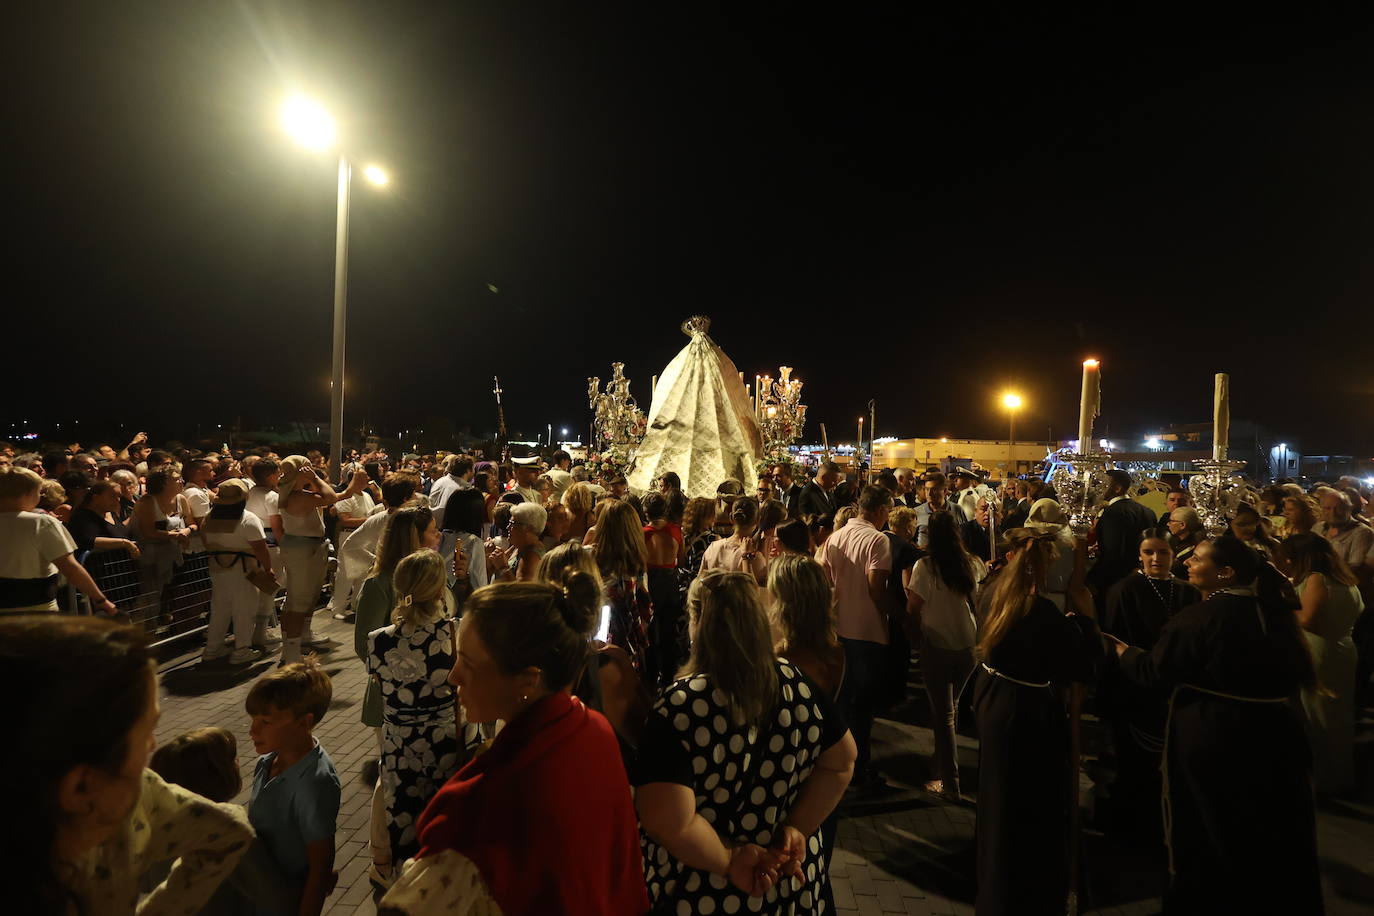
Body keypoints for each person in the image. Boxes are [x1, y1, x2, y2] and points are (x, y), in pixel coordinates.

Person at [380, 575, 650, 915]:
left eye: (468, 663)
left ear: (527, 680)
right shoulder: (593, 729)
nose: (453, 676)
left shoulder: (487, 808)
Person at [1108, 536, 1322, 913]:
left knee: (1213, 827)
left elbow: (1156, 671)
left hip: (1220, 737)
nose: (1187, 563)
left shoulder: (1202, 617)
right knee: (1270, 829)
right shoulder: (1271, 610)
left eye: (1198, 559)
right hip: (1276, 734)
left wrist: (1122, 652)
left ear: (1225, 573)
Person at [635, 570, 857, 915]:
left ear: (699, 623)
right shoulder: (799, 684)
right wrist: (797, 826)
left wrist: (729, 859)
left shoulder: (679, 706)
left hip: (701, 889)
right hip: (787, 884)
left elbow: (667, 820)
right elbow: (843, 760)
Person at [0, 615, 252, 914]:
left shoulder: (142, 795)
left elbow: (229, 833)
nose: (154, 745)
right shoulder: (132, 802)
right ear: (81, 788)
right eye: (147, 733)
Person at [972, 527, 1101, 916]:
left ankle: (994, 886)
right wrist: (1085, 623)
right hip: (1025, 711)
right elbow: (1080, 665)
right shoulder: (1040, 611)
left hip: (994, 699)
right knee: (1025, 804)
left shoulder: (993, 592)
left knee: (997, 798)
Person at [352, 505, 443, 886]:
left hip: (428, 704)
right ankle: (381, 855)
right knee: (387, 779)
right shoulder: (379, 584)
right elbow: (364, 644)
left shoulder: (435, 577)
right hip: (392, 699)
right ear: (415, 538)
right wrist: (405, 668)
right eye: (433, 531)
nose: (438, 536)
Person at [1099, 529, 1200, 842]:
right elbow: (1115, 639)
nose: (1156, 559)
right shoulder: (1124, 590)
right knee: (1133, 765)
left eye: (1163, 552)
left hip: (1172, 686)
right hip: (1134, 685)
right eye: (1149, 552)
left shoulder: (1187, 592)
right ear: (1139, 555)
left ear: (1173, 555)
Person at [367, 551, 463, 868]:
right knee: (445, 826)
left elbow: (383, 685)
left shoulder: (377, 641)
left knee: (404, 825)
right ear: (439, 590)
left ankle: (404, 881)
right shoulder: (455, 633)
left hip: (398, 748)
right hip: (444, 744)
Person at [245, 658, 343, 916]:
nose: (252, 730)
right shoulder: (267, 761)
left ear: (304, 722)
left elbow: (320, 867)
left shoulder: (314, 783)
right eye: (253, 719)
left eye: (265, 721)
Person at [818, 484, 893, 789]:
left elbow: (823, 578)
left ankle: (838, 762)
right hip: (867, 630)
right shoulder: (878, 540)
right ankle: (859, 768)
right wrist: (893, 616)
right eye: (888, 511)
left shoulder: (835, 537)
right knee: (863, 706)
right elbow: (876, 588)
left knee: (842, 701)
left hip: (838, 627)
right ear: (880, 510)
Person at [1279, 533, 1365, 795]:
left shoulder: (1316, 578)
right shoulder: (1345, 580)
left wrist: (1281, 604)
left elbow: (1307, 619)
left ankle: (1322, 779)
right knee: (1337, 715)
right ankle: (1339, 775)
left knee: (1317, 717)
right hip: (1342, 649)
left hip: (1318, 650)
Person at [908, 511, 984, 800]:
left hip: (937, 643)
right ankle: (938, 764)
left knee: (944, 715)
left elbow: (913, 607)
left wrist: (916, 637)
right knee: (950, 708)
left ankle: (950, 784)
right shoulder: (972, 563)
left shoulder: (926, 566)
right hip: (967, 644)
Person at [276, 455, 370, 663]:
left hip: (307, 547)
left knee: (303, 598)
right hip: (304, 550)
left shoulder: (295, 493)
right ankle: (291, 653)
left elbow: (335, 496)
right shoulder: (298, 496)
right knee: (297, 602)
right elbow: (330, 497)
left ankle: (300, 638)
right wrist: (316, 479)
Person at [0, 466, 119, 614]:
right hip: (36, 609)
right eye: (39, 492)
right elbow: (70, 567)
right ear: (29, 493)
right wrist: (101, 600)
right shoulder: (41, 523)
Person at [201, 479, 275, 665]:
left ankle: (212, 649)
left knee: (219, 610)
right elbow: (261, 549)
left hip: (217, 569)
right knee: (244, 611)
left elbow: (206, 542)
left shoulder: (209, 518)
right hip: (244, 571)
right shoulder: (248, 519)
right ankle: (241, 650)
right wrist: (268, 569)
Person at [592, 499, 653, 677]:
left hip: (591, 634)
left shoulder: (586, 555)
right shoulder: (636, 564)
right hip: (624, 639)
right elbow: (644, 607)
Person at [130, 467, 195, 620]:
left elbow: (192, 523)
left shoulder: (181, 499)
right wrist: (176, 535)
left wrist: (187, 531)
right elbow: (149, 532)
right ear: (163, 483)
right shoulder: (147, 502)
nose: (182, 481)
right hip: (149, 559)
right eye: (177, 479)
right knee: (149, 599)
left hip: (174, 558)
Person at [1088, 470, 1159, 603]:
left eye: (1103, 485)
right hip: (1143, 577)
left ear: (1117, 488)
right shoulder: (1148, 512)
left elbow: (1112, 552)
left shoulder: (1112, 513)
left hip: (1116, 582)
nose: (1098, 489)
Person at [642, 491, 687, 687]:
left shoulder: (643, 533)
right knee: (669, 630)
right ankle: (669, 676)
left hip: (651, 582)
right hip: (670, 582)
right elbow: (682, 560)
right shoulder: (676, 531)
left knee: (651, 631)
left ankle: (651, 677)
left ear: (646, 512)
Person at [700, 492, 769, 585]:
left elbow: (699, 582)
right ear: (758, 521)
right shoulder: (754, 558)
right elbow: (755, 590)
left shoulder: (713, 548)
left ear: (731, 518)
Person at [65, 479, 139, 558]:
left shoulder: (111, 514)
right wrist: (125, 543)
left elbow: (119, 532)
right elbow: (90, 540)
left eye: (119, 496)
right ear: (96, 498)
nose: (117, 500)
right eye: (112, 496)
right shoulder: (81, 517)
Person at [915, 471, 965, 549]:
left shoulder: (956, 510)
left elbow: (964, 535)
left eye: (934, 490)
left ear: (944, 491)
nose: (929, 494)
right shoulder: (917, 512)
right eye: (927, 489)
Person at [1166, 506, 1206, 579]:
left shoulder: (1193, 548)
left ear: (1182, 525)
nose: (1168, 524)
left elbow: (1170, 570)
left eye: (1171, 521)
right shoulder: (1175, 540)